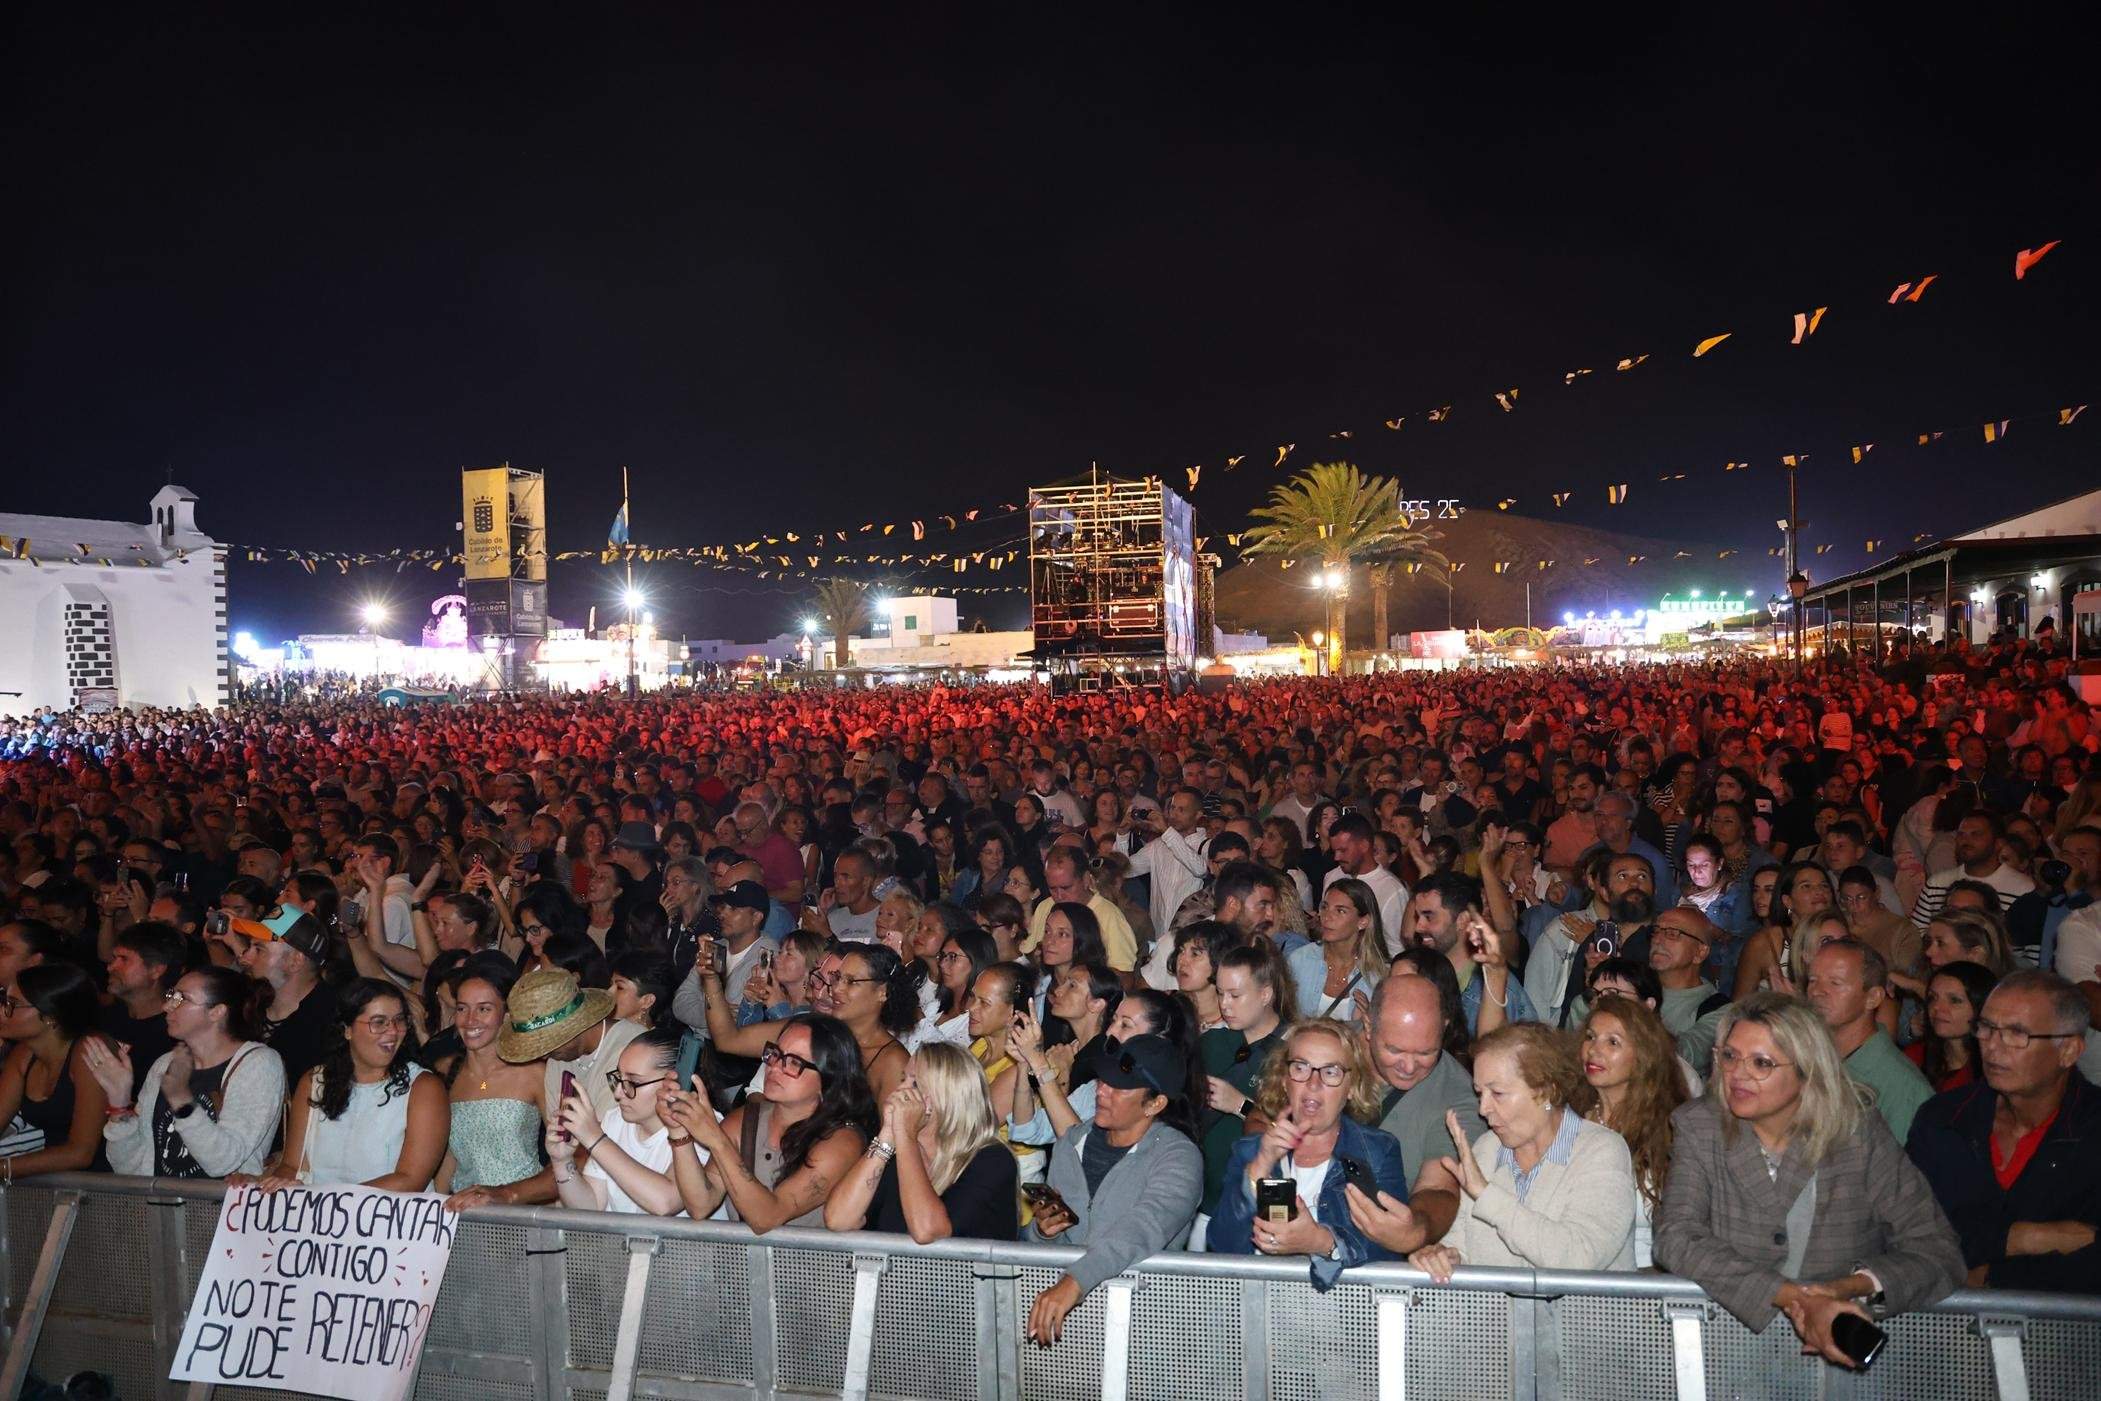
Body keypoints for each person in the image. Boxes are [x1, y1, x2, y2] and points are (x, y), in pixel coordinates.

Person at [1655, 992, 1965, 1369]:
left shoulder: (1857, 1130)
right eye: (1730, 1055)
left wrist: (1845, 1289)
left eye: (1762, 1063)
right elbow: (1677, 1236)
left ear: (1807, 1072)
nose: (1737, 1073)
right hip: (1732, 1349)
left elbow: (1937, 1250)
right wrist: (1792, 1296)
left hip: (1842, 1355)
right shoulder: (1700, 1125)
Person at [1907, 971, 2099, 1292]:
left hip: (2070, 1332)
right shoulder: (1944, 1118)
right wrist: (2022, 1237)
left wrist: (1991, 1277)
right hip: (1947, 1324)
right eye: (1986, 1029)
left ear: (2068, 1050)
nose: (1993, 1047)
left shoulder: (2093, 1129)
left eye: (2016, 1033)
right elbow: (1909, 1234)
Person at [1406, 1023, 1637, 1281]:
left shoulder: (1602, 1151)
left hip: (1584, 1321)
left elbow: (1578, 1258)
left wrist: (1486, 1194)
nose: (1483, 1109)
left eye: (1498, 1093)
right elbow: (1461, 1245)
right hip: (1496, 1322)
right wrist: (1443, 1257)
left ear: (1545, 1090)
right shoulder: (1486, 1150)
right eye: (1480, 1093)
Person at [1024, 1034, 1203, 1347]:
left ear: (1155, 1104)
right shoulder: (1071, 1143)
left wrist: (1075, 1280)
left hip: (1143, 1332)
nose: (1102, 1090)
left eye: (1118, 1086)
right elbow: (1038, 1245)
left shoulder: (1178, 1157)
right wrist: (1043, 1232)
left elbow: (1143, 1227)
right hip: (1066, 1328)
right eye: (1102, 1080)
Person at [1210, 1019, 1411, 1288]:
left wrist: (1321, 1242)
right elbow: (1220, 1245)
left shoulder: (1378, 1152)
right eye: (1301, 1068)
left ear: (1351, 1087)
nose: (1313, 1083)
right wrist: (1260, 1168)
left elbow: (1390, 1253)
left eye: (1330, 1072)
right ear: (1285, 1080)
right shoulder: (1251, 1151)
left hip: (1338, 1319)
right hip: (1258, 1311)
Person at [664, 1013, 876, 1230]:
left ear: (829, 1078)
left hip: (809, 1263)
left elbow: (767, 1217)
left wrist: (717, 1140)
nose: (774, 1067)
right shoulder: (746, 1120)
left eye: (794, 1062)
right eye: (775, 1054)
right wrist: (678, 1131)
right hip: (746, 1262)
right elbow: (701, 1205)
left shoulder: (842, 1141)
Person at [245, 977, 447, 1190]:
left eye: (399, 1020)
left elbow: (410, 1180)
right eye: (379, 1022)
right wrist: (272, 1181)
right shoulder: (314, 1082)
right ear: (347, 1029)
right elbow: (292, 1166)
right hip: (321, 1217)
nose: (393, 1031)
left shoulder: (423, 1088)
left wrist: (331, 1201)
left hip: (389, 1219)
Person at [86, 966, 287, 1179]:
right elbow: (127, 1167)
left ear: (216, 1011)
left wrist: (182, 1101)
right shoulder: (164, 1064)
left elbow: (223, 1162)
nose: (167, 1006)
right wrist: (119, 1103)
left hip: (219, 1209)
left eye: (182, 999)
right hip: (161, 1209)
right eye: (171, 995)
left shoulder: (258, 1063)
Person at [1343, 970, 1486, 1259]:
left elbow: (1439, 1186)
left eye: (1425, 1053)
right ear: (1368, 1026)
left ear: (1444, 1028)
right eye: (1394, 1050)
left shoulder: (1456, 1094)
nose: (1408, 1067)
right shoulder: (1324, 1049)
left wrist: (1415, 1230)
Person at [826, 1040, 1020, 1242]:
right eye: (903, 1080)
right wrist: (886, 1137)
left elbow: (927, 1231)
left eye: (915, 1084)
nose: (899, 1091)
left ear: (947, 1096)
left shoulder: (992, 1160)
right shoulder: (894, 1155)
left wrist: (906, 1136)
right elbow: (838, 1220)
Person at [1578, 995, 1689, 1267]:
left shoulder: (1673, 1130)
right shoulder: (1567, 1117)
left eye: (1612, 1042)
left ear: (1643, 1056)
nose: (1593, 1050)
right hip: (1575, 1271)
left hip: (1646, 1277)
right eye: (1591, 1037)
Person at [434, 964, 556, 1209]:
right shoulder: (447, 1072)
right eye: (462, 1008)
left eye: (484, 1009)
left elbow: (568, 1155)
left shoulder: (534, 1072)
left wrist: (509, 1194)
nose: (470, 1020)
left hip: (522, 1210)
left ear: (506, 1014)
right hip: (463, 1215)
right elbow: (450, 1155)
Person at [1194, 943, 1291, 1240]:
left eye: (1235, 995)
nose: (1225, 1004)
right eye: (1220, 993)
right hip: (1204, 1199)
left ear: (1265, 994)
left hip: (1259, 1202)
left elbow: (1303, 1137)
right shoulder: (1211, 1043)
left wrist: (1241, 1105)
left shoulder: (1295, 1050)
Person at [1806, 938, 1936, 1145]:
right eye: (1812, 980)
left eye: (1835, 983)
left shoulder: (1902, 1087)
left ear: (1873, 997)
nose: (1816, 991)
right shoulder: (1807, 1058)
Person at [548, 1025, 687, 1215]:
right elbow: (592, 1205)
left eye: (634, 1082)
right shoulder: (615, 1121)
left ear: (674, 1081)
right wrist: (561, 1161)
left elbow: (665, 1202)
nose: (619, 1092)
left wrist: (595, 1139)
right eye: (618, 1079)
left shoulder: (700, 1126)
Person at [0, 962, 110, 1179]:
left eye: (13, 1004)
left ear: (51, 1016)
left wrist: (4, 1168)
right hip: (54, 1181)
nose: (3, 1012)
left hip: (105, 1186)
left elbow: (81, 1153)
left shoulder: (89, 1050)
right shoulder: (25, 1053)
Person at [233, 905, 340, 1088]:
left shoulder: (331, 1027)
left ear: (295, 961)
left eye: (259, 949)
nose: (245, 959)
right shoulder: (243, 1005)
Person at [1287, 878, 1385, 1022]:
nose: (1327, 916)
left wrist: (1364, 1023)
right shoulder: (1300, 960)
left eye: (1340, 911)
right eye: (1324, 907)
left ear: (1363, 921)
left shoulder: (1377, 975)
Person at [1906, 961, 1996, 1091]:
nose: (1937, 1007)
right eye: (1932, 998)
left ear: (1981, 1007)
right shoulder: (1915, 1057)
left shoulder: (1993, 1071)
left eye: (1954, 1000)